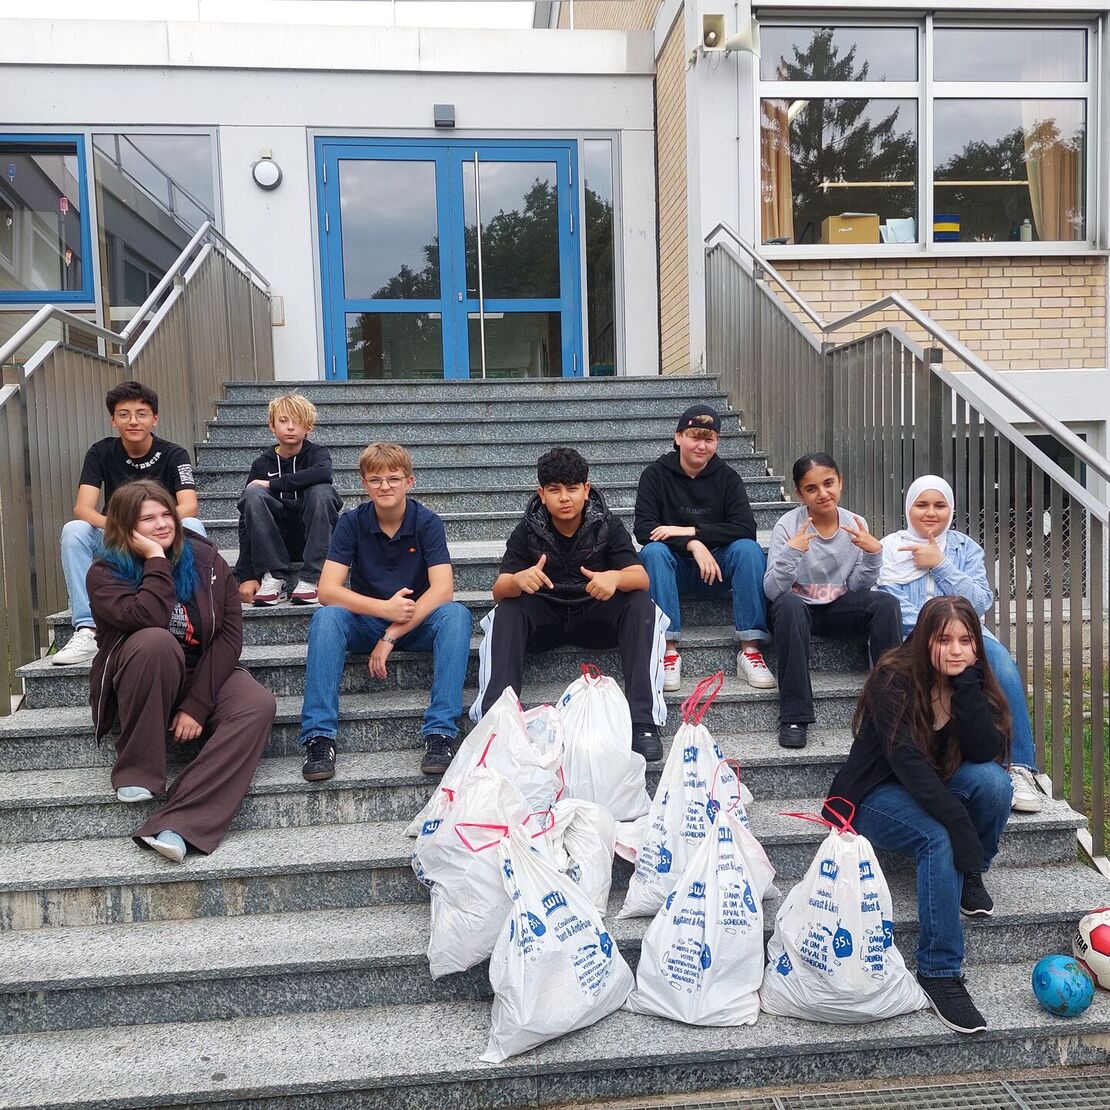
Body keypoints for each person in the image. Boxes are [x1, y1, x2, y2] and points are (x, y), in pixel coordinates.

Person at [825, 595, 1013, 1035]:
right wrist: (959, 827)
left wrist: (967, 689)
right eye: (944, 640)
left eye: (966, 640)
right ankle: (939, 971)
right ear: (924, 639)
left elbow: (985, 752)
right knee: (939, 837)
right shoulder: (893, 678)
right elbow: (907, 764)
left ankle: (969, 874)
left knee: (994, 784)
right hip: (874, 793)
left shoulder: (972, 679)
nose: (956, 650)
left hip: (933, 784)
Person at [87, 480, 275, 863]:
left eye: (166, 515)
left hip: (201, 671)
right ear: (125, 527)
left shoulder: (206, 560)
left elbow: (229, 636)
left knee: (258, 704)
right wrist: (156, 559)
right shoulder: (105, 573)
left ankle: (181, 823)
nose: (161, 524)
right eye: (147, 519)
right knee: (156, 642)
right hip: (144, 672)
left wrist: (197, 705)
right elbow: (146, 618)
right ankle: (138, 769)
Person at [472, 447, 668, 760]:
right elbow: (499, 590)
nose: (564, 498)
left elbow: (641, 578)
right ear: (541, 494)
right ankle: (497, 724)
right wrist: (518, 580)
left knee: (642, 605)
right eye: (554, 490)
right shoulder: (527, 529)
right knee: (506, 610)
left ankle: (643, 722)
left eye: (572, 489)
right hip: (545, 619)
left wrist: (615, 578)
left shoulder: (607, 524)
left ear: (586, 490)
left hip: (595, 616)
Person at [298, 442, 470, 781]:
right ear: (364, 484)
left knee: (457, 616)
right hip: (365, 621)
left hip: (415, 622)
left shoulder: (427, 523)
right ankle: (319, 737)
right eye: (375, 480)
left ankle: (440, 734)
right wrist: (384, 608)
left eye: (393, 478)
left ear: (409, 482)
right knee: (326, 618)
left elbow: (442, 590)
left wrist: (391, 633)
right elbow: (327, 590)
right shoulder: (351, 523)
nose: (385, 486)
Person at [877, 475, 1044, 814]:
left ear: (951, 510)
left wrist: (940, 564)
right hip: (912, 635)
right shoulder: (890, 548)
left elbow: (980, 601)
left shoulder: (964, 548)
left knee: (1002, 663)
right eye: (922, 504)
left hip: (968, 633)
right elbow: (887, 600)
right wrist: (934, 630)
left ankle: (1019, 767)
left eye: (940, 505)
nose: (931, 512)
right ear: (908, 508)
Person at [55, 380, 206, 666]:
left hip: (161, 535)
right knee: (74, 531)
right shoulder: (101, 452)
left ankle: (193, 614)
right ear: (113, 420)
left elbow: (189, 505)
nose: (133, 421)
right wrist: (122, 528)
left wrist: (155, 525)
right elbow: (83, 508)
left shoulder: (174, 454)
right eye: (124, 414)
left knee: (194, 527)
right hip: (118, 537)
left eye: (141, 414)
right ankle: (88, 627)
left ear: (154, 419)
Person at [764, 452, 902, 749]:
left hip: (837, 608)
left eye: (828, 483)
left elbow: (856, 587)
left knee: (885, 603)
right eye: (811, 488)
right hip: (795, 611)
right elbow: (773, 591)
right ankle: (794, 717)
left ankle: (891, 706)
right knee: (788, 605)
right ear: (800, 494)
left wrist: (873, 555)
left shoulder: (855, 523)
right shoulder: (788, 525)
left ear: (840, 482)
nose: (823, 493)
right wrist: (791, 553)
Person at [634, 404, 774, 693]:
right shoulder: (655, 475)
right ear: (678, 438)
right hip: (673, 571)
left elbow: (745, 527)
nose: (701, 445)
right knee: (653, 553)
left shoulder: (728, 478)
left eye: (709, 439)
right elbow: (644, 529)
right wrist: (692, 544)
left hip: (717, 570)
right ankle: (667, 650)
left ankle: (750, 650)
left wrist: (692, 531)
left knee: (748, 550)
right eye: (694, 437)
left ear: (717, 442)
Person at [235, 391, 342, 607]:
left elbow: (323, 473)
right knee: (252, 493)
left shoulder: (317, 454)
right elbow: (246, 520)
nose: (291, 427)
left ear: (309, 427)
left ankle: (312, 578)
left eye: (297, 421)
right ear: (272, 425)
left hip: (314, 539)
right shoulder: (261, 464)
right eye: (283, 421)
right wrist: (246, 574)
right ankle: (274, 578)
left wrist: (272, 484)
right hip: (273, 543)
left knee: (322, 491)